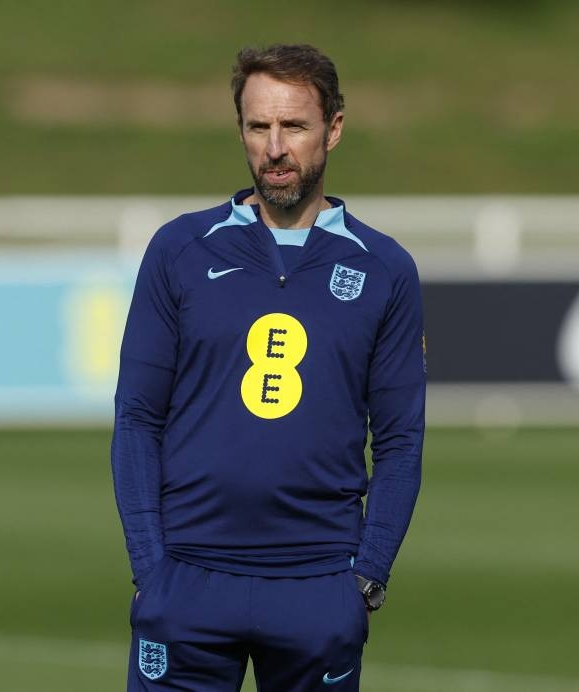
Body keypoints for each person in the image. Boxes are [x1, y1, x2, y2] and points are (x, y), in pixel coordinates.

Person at [111, 43, 426, 691]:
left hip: (318, 585)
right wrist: (151, 568)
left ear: (333, 129)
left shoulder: (384, 269)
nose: (275, 148)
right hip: (187, 581)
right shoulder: (180, 249)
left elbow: (400, 439)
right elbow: (138, 417)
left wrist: (367, 575)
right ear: (241, 130)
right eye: (259, 126)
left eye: (294, 126)